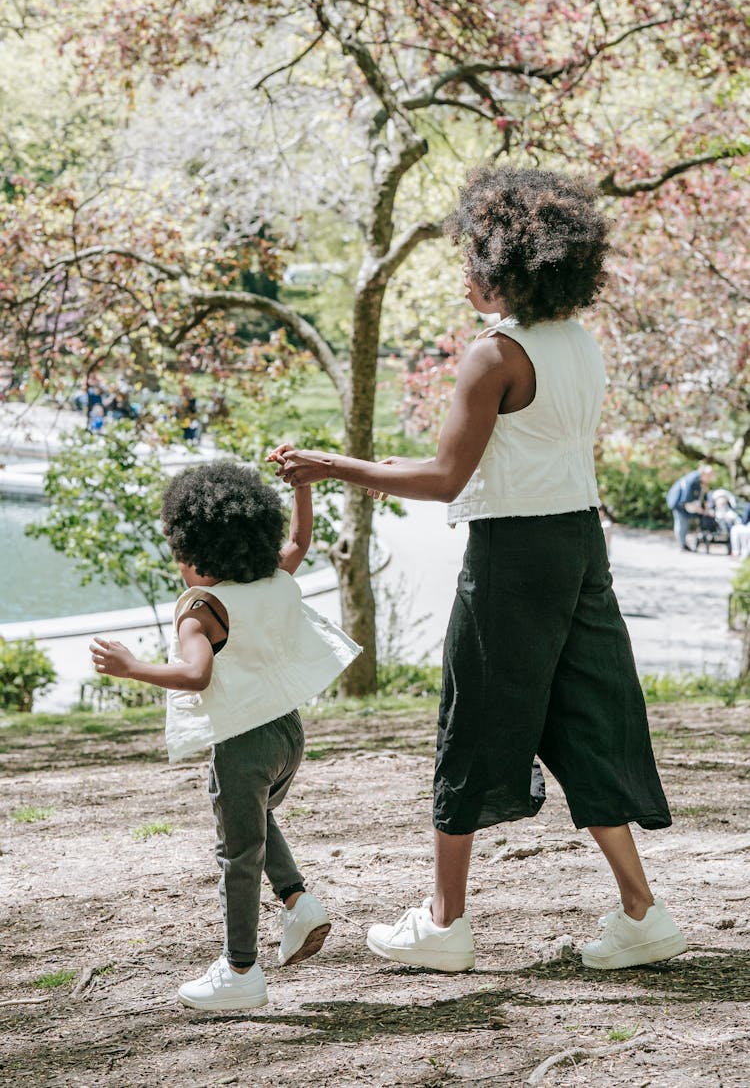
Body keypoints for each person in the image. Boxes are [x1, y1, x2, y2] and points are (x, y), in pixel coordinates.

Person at [270, 165, 687, 974]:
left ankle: (445, 923)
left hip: (513, 556)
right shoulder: (579, 343)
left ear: (511, 263)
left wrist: (329, 464)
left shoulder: (494, 353)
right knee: (578, 725)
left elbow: (446, 481)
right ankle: (642, 910)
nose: (466, 270)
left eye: (475, 256)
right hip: (577, 547)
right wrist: (348, 464)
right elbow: (473, 461)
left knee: (470, 722)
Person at [90, 461, 360, 1009]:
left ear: (195, 553)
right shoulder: (273, 578)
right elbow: (300, 539)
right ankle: (298, 900)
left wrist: (131, 666)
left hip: (241, 745)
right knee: (255, 819)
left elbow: (196, 675)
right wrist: (302, 489)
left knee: (238, 852)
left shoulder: (201, 610)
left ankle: (240, 971)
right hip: (289, 734)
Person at [666, 465, 714, 552]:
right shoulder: (692, 479)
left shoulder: (700, 481)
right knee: (681, 523)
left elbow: (704, 496)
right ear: (704, 474)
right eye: (709, 475)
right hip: (678, 502)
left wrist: (706, 509)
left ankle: (683, 544)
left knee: (685, 523)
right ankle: (681, 545)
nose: (710, 478)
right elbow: (686, 500)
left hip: (686, 504)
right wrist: (699, 509)